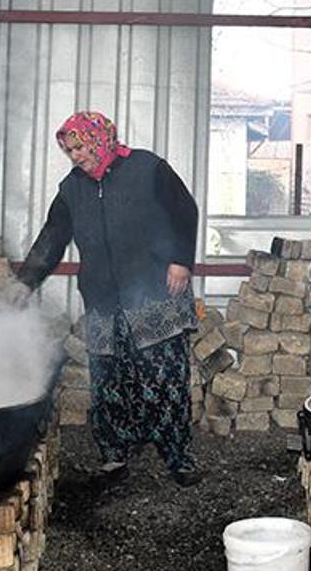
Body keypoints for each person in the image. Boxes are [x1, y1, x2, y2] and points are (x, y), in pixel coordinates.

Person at [14, 111, 201, 486]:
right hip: (103, 298)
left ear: (100, 140)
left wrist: (181, 260)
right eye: (69, 150)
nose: (75, 156)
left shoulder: (148, 168)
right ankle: (114, 455)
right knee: (109, 381)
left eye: (79, 147)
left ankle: (177, 457)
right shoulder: (72, 189)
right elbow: (53, 236)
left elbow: (185, 210)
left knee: (164, 378)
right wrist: (26, 282)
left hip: (155, 292)